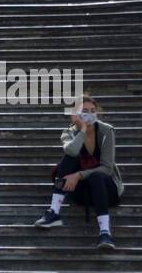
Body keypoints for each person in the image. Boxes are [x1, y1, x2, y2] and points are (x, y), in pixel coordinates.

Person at [32, 94, 123, 250]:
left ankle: (105, 233)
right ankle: (54, 212)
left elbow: (107, 168)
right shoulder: (68, 132)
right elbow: (72, 151)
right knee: (69, 159)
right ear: (76, 114)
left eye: (93, 110)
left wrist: (78, 175)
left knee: (96, 175)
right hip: (82, 193)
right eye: (84, 110)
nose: (90, 114)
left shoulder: (107, 131)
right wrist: (82, 130)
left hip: (108, 190)